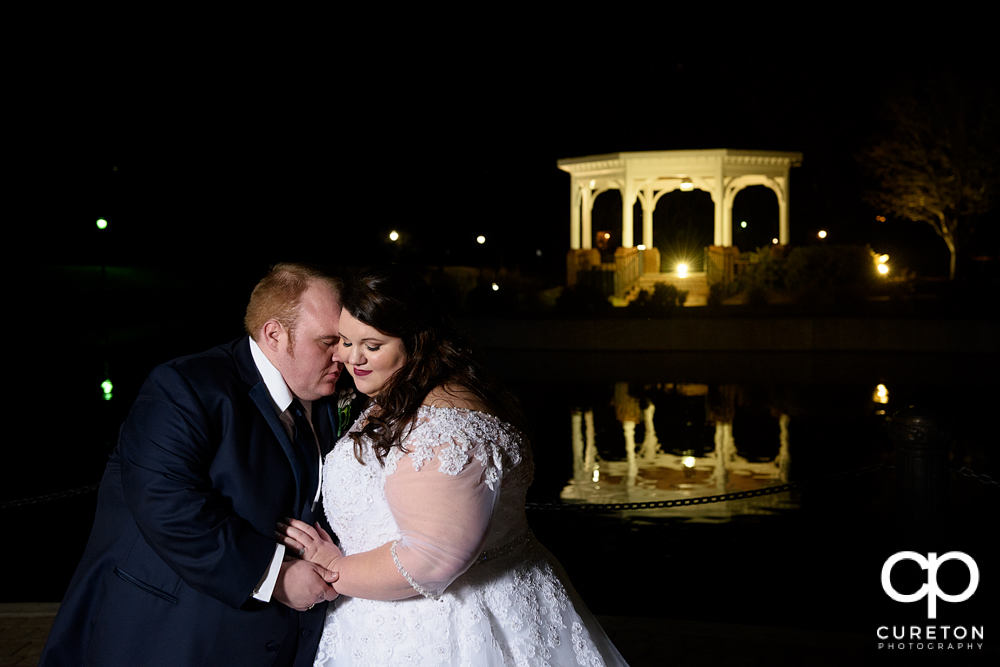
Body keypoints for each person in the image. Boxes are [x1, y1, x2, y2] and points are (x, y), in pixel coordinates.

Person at [278, 265, 629, 666]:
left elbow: (429, 560)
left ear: (415, 341)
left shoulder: (443, 429)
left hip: (436, 627)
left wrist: (336, 568)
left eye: (371, 346)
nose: (351, 357)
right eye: (344, 340)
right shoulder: (424, 388)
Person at [40, 263, 355, 667]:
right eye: (328, 341)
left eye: (343, 341)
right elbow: (165, 502)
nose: (341, 356)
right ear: (274, 334)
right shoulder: (184, 387)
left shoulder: (330, 398)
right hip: (175, 637)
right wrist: (273, 576)